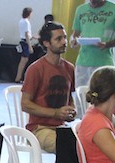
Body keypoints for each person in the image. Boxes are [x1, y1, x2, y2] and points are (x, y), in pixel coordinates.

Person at [20, 21, 76, 153]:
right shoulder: (36, 69)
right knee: (66, 146)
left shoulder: (69, 68)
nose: (64, 42)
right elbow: (25, 104)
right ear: (46, 43)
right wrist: (55, 113)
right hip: (39, 129)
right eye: (58, 39)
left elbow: (69, 98)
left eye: (64, 37)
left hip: (62, 127)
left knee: (86, 144)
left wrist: (72, 111)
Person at [71, 0, 115, 88]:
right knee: (82, 95)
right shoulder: (81, 10)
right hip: (83, 63)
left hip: (104, 63)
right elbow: (75, 33)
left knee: (103, 94)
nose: (92, 0)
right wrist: (73, 40)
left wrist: (107, 44)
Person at [15, 6, 33, 83]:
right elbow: (26, 34)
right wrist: (30, 46)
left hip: (23, 41)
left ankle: (18, 77)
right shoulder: (26, 22)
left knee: (23, 60)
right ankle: (18, 78)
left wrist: (32, 36)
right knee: (24, 60)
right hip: (25, 43)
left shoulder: (21, 21)